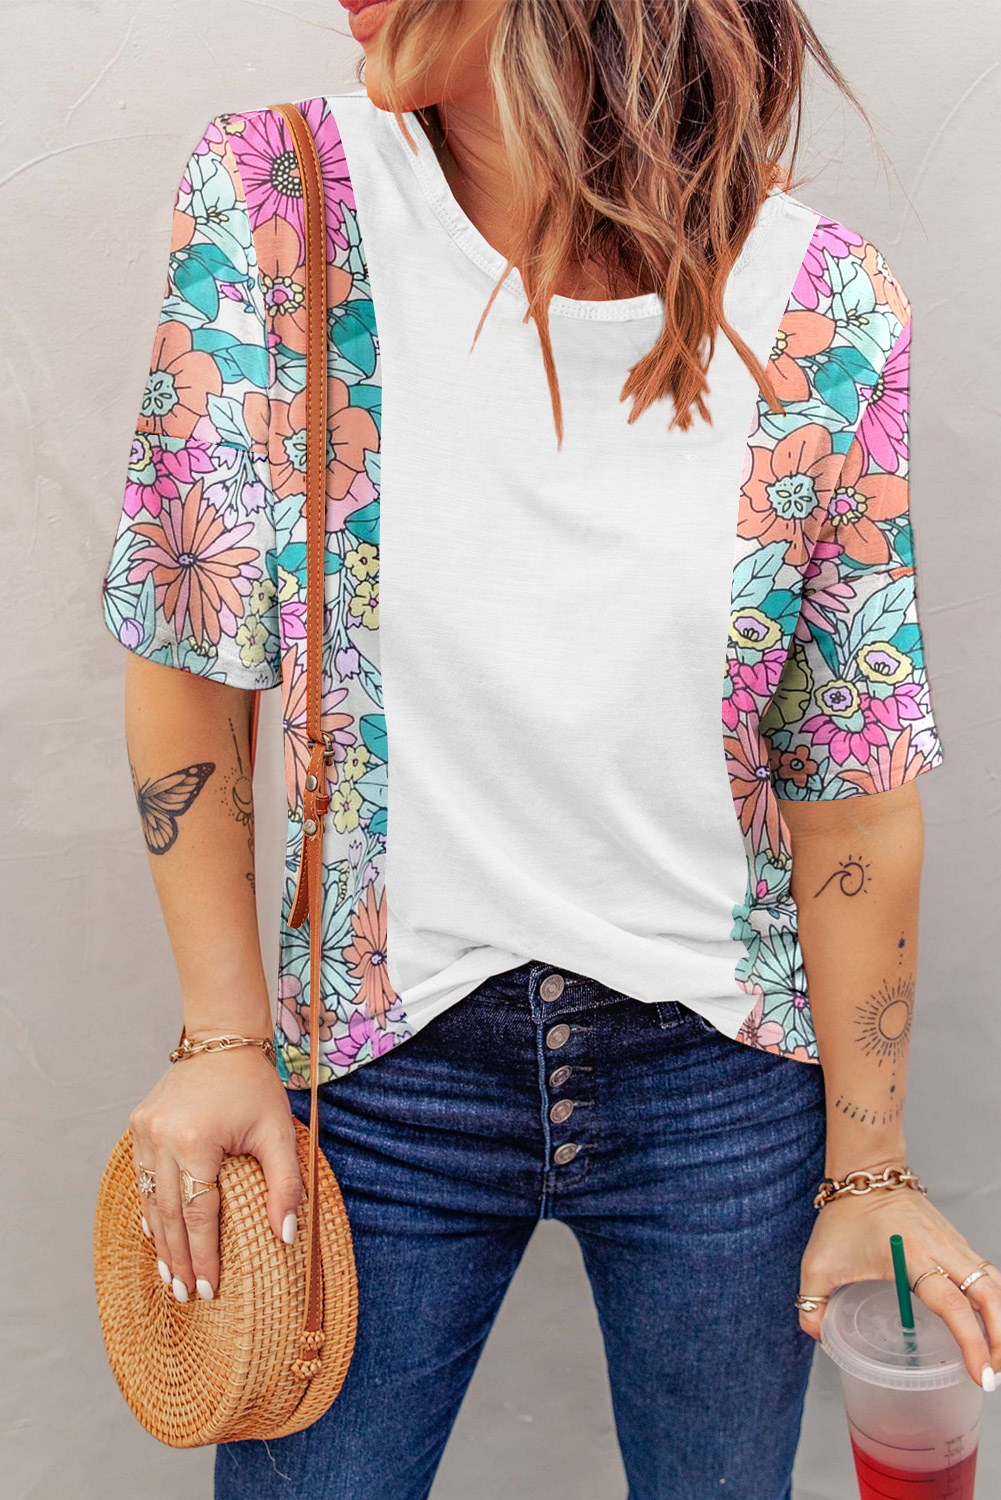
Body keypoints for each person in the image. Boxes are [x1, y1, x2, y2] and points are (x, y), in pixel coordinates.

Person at [98, 2, 999, 1496]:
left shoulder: (824, 310)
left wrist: (871, 1169)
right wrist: (222, 1037)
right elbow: (191, 648)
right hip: (378, 1076)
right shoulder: (279, 205)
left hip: (720, 1086)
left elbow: (847, 790)